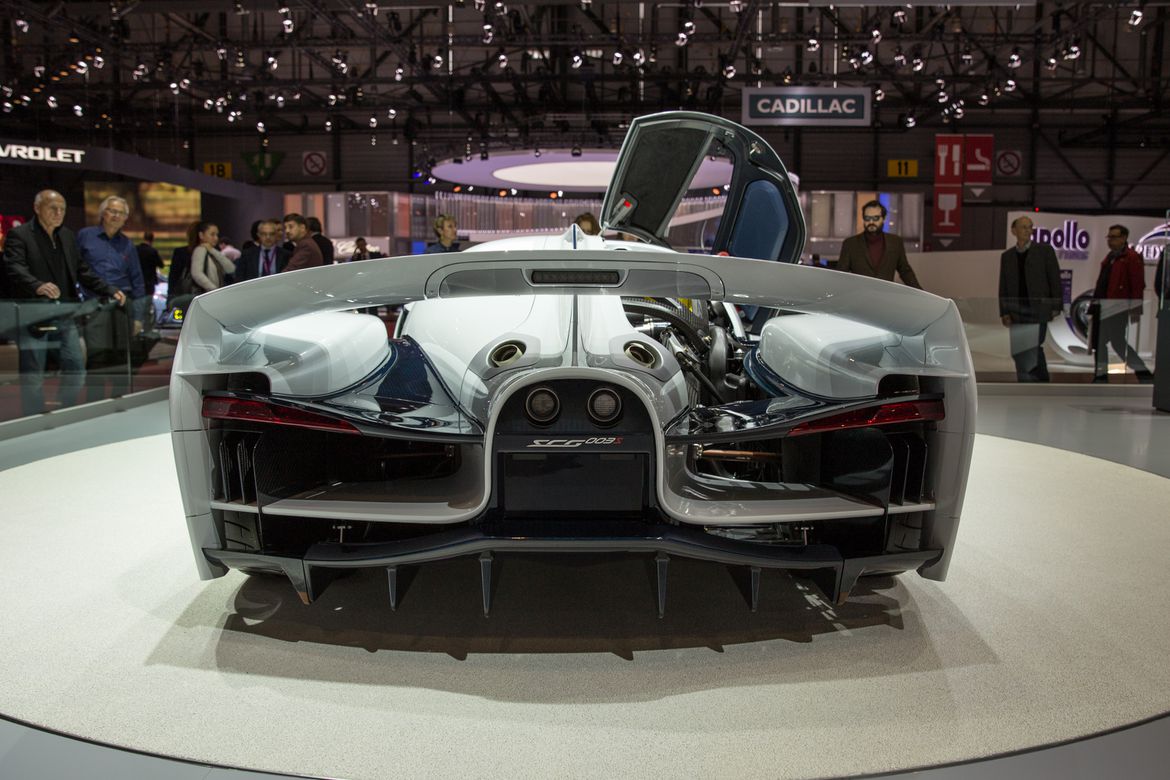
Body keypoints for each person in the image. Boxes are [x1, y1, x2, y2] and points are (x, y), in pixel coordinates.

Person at [1, 190, 126, 415]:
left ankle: (63, 412)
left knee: (76, 369)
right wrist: (37, 285)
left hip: (65, 314)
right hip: (32, 316)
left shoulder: (67, 236)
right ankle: (34, 418)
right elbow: (14, 267)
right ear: (37, 208)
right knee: (33, 374)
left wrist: (108, 289)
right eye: (53, 208)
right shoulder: (20, 235)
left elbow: (82, 270)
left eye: (62, 209)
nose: (58, 213)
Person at [998, 216, 1063, 382]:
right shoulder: (1007, 256)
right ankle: (1027, 382)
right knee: (1018, 350)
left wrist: (1056, 305)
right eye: (1024, 227)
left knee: (1034, 347)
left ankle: (1038, 382)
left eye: (1030, 227)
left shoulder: (1044, 251)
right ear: (1014, 231)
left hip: (1038, 309)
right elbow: (1003, 285)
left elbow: (1054, 278)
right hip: (1016, 310)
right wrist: (1004, 311)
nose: (1028, 230)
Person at [1090, 224, 1152, 383]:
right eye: (1109, 237)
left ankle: (1141, 372)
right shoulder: (1111, 257)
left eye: (1114, 237)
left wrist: (1136, 309)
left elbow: (1137, 284)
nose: (1110, 240)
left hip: (1117, 307)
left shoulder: (1131, 257)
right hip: (1104, 306)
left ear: (1124, 238)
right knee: (1102, 341)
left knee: (1115, 342)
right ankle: (1102, 374)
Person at [837, 200, 922, 289]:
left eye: (876, 218)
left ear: (884, 218)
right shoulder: (850, 244)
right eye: (867, 218)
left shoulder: (895, 242)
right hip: (860, 295)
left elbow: (905, 271)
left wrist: (920, 292)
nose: (871, 222)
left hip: (885, 294)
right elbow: (841, 274)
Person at [188, 222, 236, 292]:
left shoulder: (212, 251)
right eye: (212, 234)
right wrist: (214, 290)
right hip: (205, 294)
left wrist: (212, 250)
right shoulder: (200, 250)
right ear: (201, 235)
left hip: (214, 293)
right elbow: (197, 274)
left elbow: (231, 269)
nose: (216, 238)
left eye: (217, 235)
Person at [136, 231, 164, 325]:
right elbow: (161, 265)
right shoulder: (152, 251)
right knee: (148, 304)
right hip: (149, 281)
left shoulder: (136, 249)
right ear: (152, 240)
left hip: (137, 281)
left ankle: (137, 322)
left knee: (138, 303)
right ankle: (147, 325)